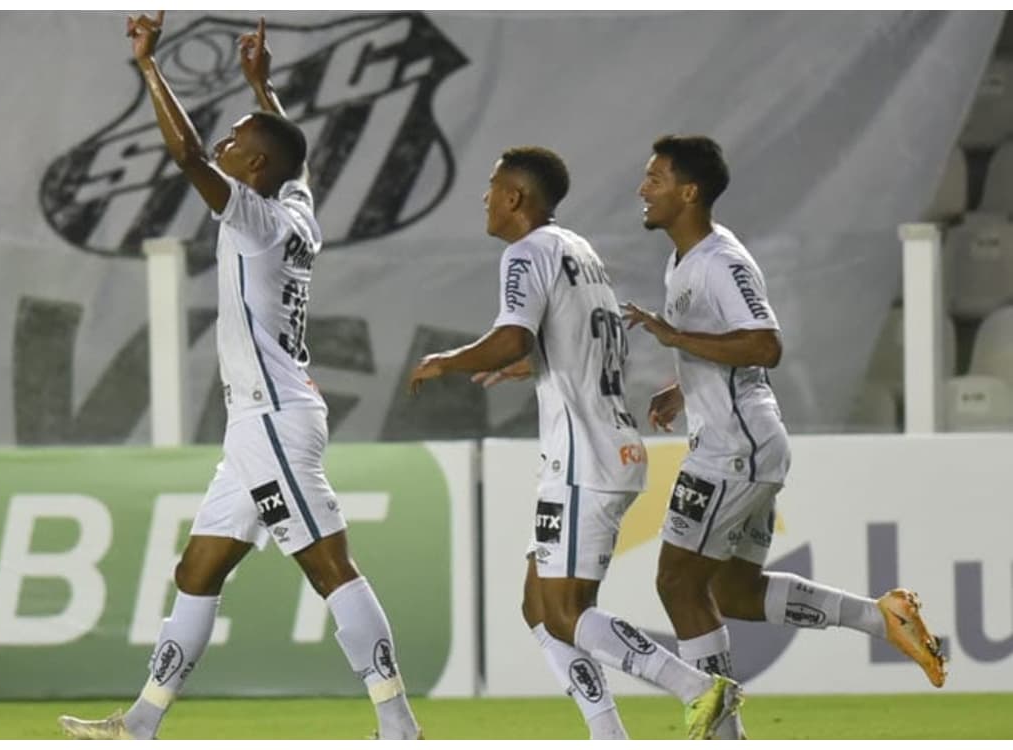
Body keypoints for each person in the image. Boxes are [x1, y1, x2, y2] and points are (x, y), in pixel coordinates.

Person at [58, 14, 422, 740]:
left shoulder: (254, 219)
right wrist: (262, 86)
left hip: (273, 418)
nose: (224, 145)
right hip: (261, 421)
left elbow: (188, 154)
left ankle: (399, 727)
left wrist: (148, 66)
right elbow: (298, 164)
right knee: (197, 572)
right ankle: (138, 723)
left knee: (330, 567)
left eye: (237, 141)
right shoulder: (293, 209)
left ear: (253, 169)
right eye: (227, 135)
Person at [408, 146, 742, 740]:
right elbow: (571, 336)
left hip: (580, 456)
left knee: (565, 613)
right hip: (610, 445)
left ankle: (697, 687)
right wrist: (538, 363)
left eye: (492, 188)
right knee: (539, 605)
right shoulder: (578, 250)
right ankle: (607, 734)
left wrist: (448, 360)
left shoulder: (524, 252)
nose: (485, 199)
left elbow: (511, 336)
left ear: (515, 198)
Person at [622, 134, 947, 739]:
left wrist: (675, 338)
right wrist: (683, 383)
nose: (642, 189)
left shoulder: (722, 261)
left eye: (655, 179)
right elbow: (726, 345)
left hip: (734, 449)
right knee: (736, 592)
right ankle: (882, 618)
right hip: (741, 442)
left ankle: (724, 734)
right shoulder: (683, 260)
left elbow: (765, 343)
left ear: (688, 192)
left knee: (676, 582)